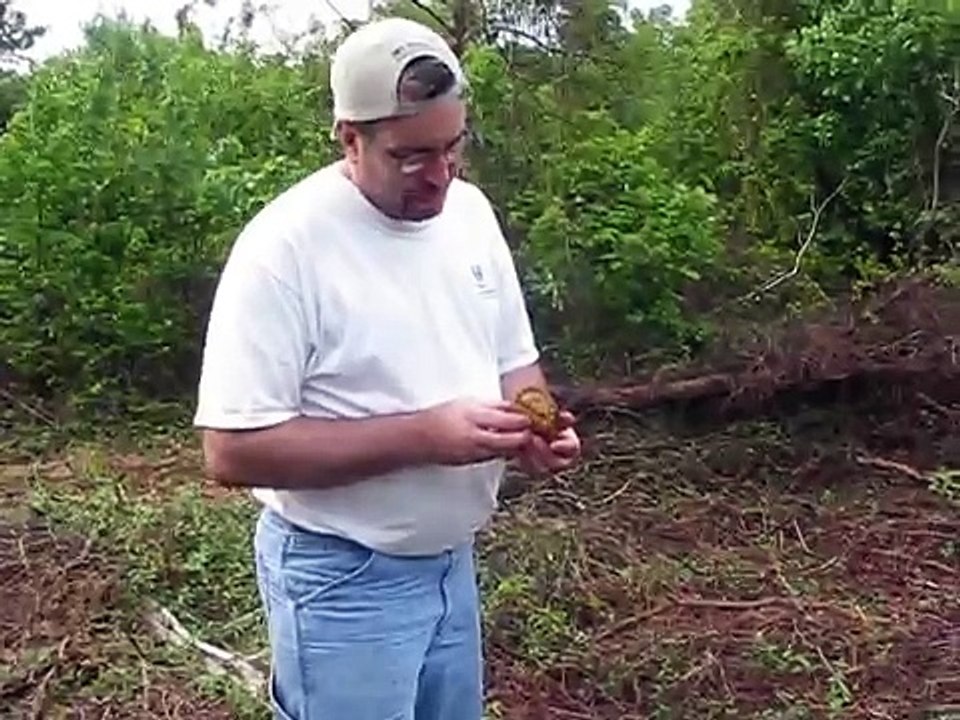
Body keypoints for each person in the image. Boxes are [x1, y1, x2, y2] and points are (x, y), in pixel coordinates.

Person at [192, 16, 582, 720]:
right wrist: (426, 437)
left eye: (452, 147)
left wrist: (539, 428)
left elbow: (515, 365)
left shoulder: (470, 214)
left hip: (452, 565)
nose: (440, 175)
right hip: (341, 579)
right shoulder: (285, 249)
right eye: (411, 156)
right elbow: (231, 451)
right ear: (350, 138)